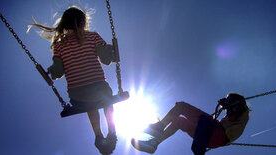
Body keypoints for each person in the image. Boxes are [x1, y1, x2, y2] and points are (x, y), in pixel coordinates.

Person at [28, 6, 117, 155]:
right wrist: (110, 50)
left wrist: (50, 71)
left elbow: (57, 73)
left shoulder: (58, 45)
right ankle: (112, 132)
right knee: (107, 101)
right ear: (83, 22)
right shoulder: (93, 36)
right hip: (100, 89)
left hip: (78, 96)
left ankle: (98, 135)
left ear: (64, 24)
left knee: (90, 105)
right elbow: (106, 60)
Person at [131, 93, 250, 154]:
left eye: (230, 100)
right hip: (211, 138)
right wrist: (227, 105)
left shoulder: (242, 112)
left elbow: (235, 111)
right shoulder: (233, 119)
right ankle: (154, 143)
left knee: (181, 107)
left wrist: (227, 104)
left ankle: (159, 127)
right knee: (178, 122)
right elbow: (232, 115)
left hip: (215, 133)